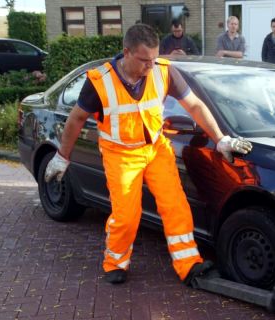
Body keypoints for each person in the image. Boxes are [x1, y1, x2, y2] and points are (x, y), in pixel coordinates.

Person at [43, 24, 252, 285]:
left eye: (153, 59)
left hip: (155, 149)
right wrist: (62, 157)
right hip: (120, 155)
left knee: (176, 206)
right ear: (126, 52)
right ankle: (115, 262)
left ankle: (188, 264)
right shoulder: (100, 81)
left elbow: (195, 105)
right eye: (144, 61)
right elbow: (76, 119)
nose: (150, 66)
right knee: (127, 215)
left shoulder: (164, 71)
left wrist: (220, 139)